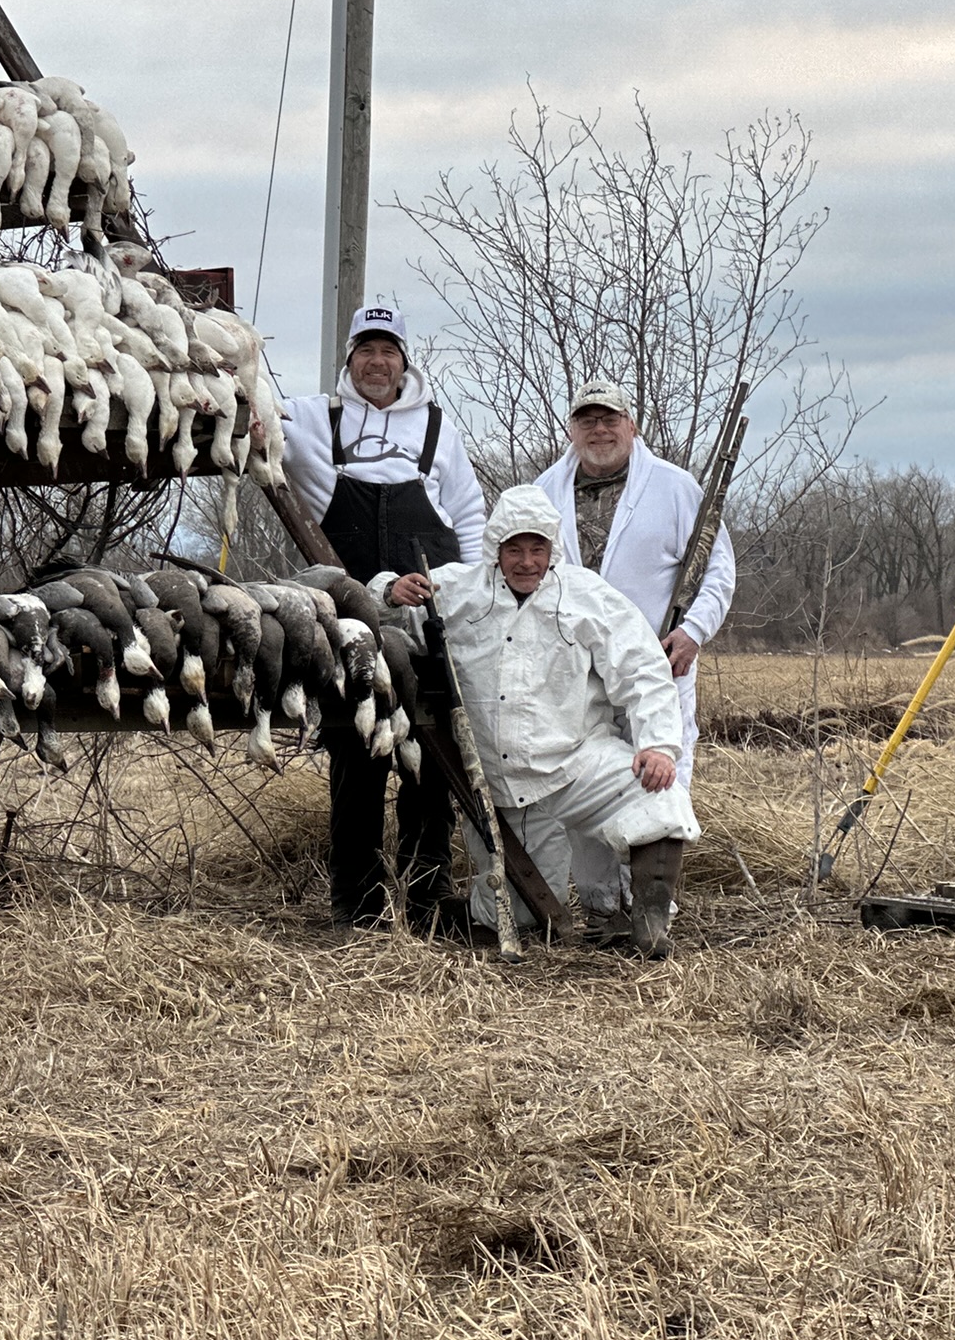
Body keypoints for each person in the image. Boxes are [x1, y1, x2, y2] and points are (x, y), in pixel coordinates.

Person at [379, 485, 700, 958]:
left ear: (553, 549)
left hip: (576, 765)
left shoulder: (588, 596)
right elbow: (384, 604)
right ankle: (469, 910)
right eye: (515, 549)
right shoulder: (455, 590)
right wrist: (390, 590)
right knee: (525, 920)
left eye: (537, 548)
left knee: (660, 793)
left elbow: (643, 668)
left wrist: (657, 745)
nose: (527, 561)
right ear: (496, 550)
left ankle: (649, 926)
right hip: (496, 788)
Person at [284, 303, 488, 933]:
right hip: (351, 624)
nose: (378, 362)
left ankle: (427, 900)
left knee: (432, 759)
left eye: (389, 351)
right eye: (366, 350)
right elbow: (252, 416)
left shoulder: (436, 429)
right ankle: (358, 905)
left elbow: (472, 521)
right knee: (357, 754)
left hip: (430, 625)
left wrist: (467, 599)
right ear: (348, 358)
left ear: (405, 361)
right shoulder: (316, 419)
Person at [532, 380, 734, 926]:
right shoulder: (544, 492)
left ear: (632, 425)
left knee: (662, 780)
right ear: (571, 429)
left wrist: (693, 631)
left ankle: (652, 909)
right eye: (587, 420)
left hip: (660, 664)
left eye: (610, 419)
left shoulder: (675, 488)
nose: (599, 430)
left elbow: (718, 570)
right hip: (575, 672)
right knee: (580, 782)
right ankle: (602, 909)